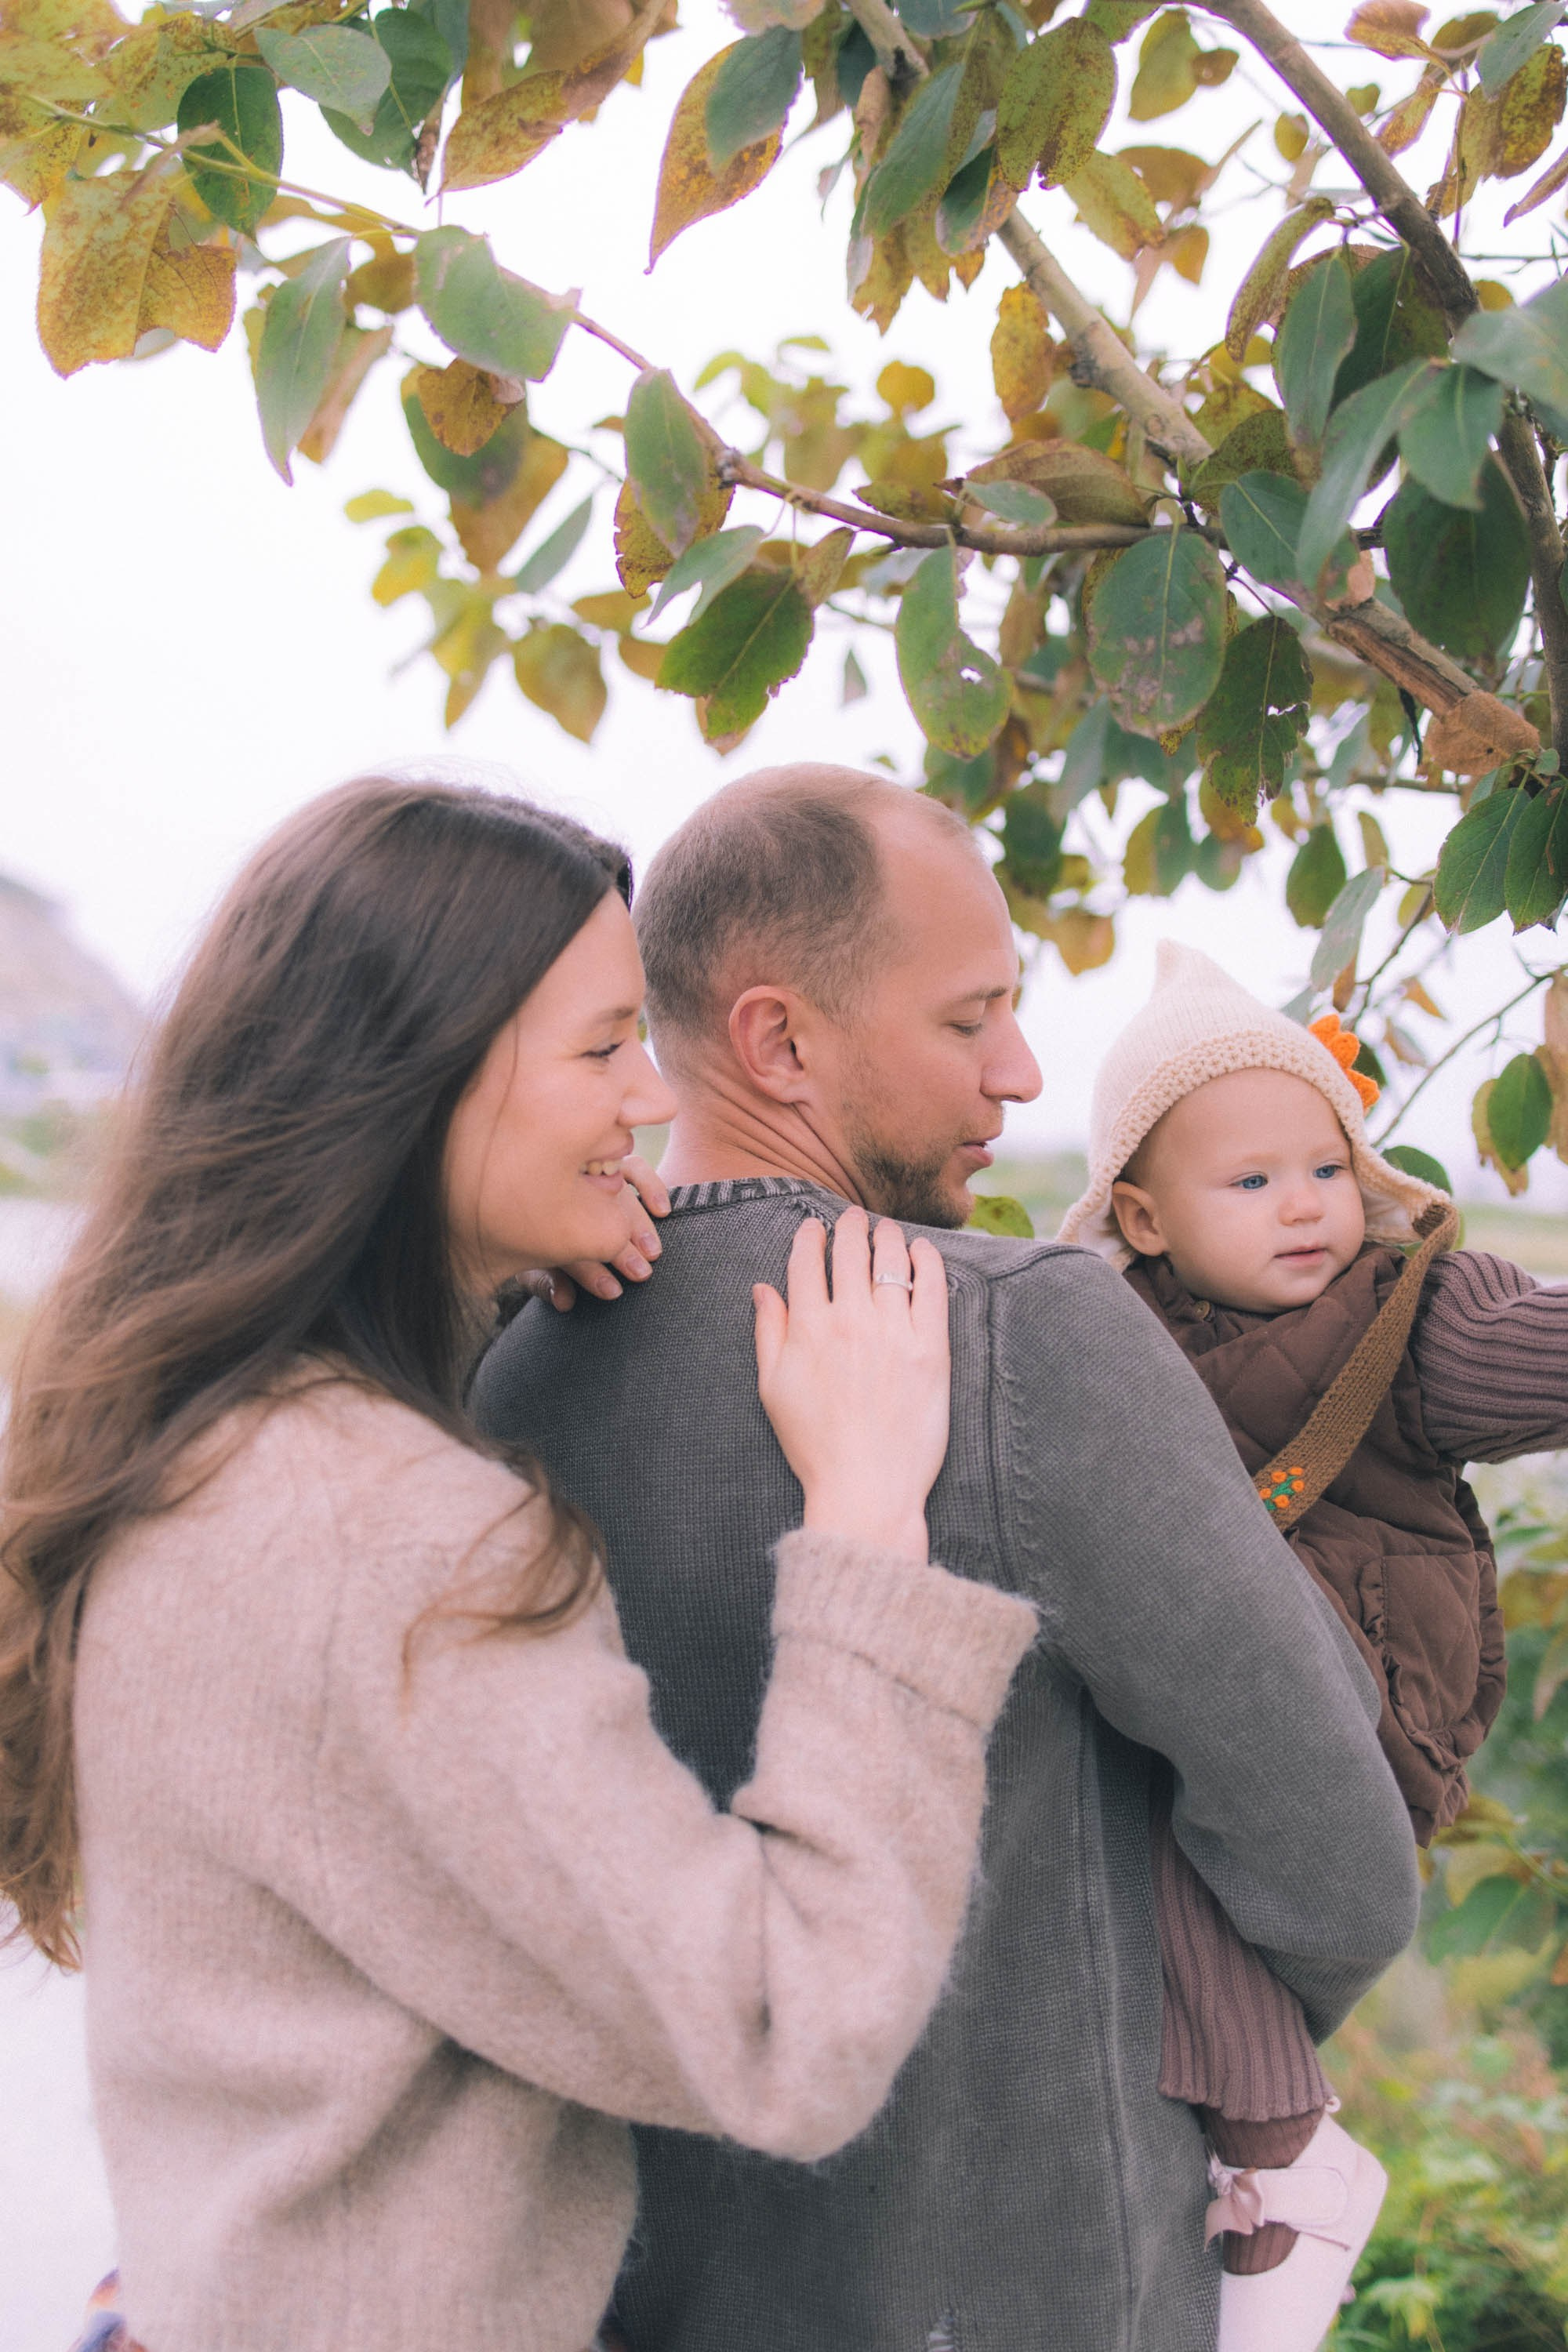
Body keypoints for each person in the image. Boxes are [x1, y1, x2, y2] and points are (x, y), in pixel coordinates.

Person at [0, 776, 1041, 2352]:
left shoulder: (197, 1442)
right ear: (418, 1084)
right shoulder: (392, 1537)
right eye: (603, 1044)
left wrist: (481, 1279)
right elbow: (781, 2028)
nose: (646, 1101)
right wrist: (866, 1528)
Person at [470, 763, 1423, 2352]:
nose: (1021, 1070)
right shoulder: (1018, 1332)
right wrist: (1180, 2031)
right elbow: (1338, 1859)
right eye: (969, 1018)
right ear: (782, 1039)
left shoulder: (508, 1370)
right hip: (1033, 2290)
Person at [1054, 941, 1567, 2352]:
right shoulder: (1112, 1335)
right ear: (1144, 1222)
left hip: (1373, 1702)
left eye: (1328, 1169)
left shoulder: (1407, 1319)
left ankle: (1284, 2152)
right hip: (1242, 1703)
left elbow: (1539, 1356)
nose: (1307, 1208)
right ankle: (1244, 2156)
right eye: (1253, 1180)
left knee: (1158, 1830)